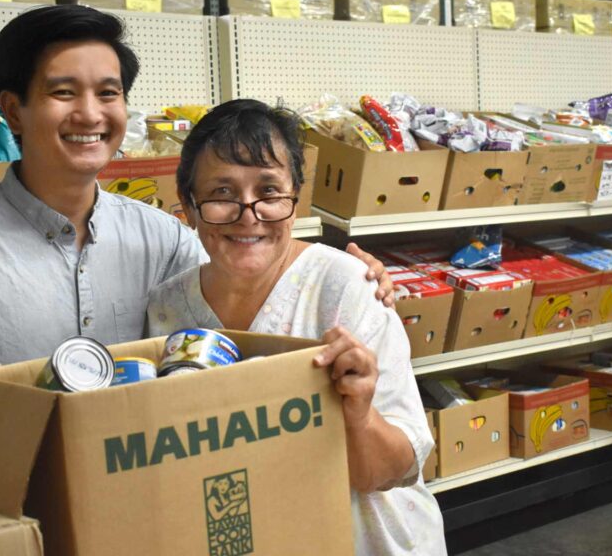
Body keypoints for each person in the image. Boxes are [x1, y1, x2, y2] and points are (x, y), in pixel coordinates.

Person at [0, 5, 392, 465]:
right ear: (13, 109)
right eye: (63, 92)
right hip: (9, 494)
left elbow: (246, 266)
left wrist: (349, 272)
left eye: (108, 93)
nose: (90, 113)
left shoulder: (164, 236)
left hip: (138, 493)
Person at [146, 99, 447, 555]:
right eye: (222, 194)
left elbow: (391, 471)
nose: (249, 214)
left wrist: (360, 413)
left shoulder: (347, 289)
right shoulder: (167, 309)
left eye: (269, 191)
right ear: (188, 205)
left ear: (296, 196)